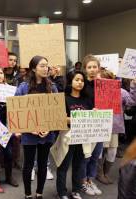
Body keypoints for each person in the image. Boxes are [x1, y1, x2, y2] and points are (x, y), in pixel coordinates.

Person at [15, 55, 58, 199]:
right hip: (29, 135)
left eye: (47, 65)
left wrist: (49, 128)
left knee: (42, 165)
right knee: (28, 165)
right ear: (33, 68)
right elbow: (16, 111)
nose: (46, 68)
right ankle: (27, 194)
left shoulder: (52, 87)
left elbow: (56, 112)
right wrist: (29, 128)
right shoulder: (23, 87)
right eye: (42, 65)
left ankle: (39, 193)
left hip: (47, 134)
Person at [54, 71, 91, 199]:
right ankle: (62, 193)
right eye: (77, 80)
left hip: (82, 136)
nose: (80, 82)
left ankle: (76, 190)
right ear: (70, 81)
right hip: (67, 136)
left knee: (79, 165)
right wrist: (75, 119)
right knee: (63, 165)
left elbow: (91, 116)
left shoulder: (87, 99)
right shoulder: (63, 98)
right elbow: (60, 118)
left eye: (82, 80)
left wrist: (94, 114)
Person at [96, 69, 136, 185]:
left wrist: (133, 86)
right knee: (99, 151)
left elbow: (132, 102)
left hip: (114, 126)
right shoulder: (94, 91)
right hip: (99, 125)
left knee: (112, 151)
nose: (100, 81)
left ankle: (106, 172)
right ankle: (99, 174)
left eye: (103, 79)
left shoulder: (121, 92)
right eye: (98, 79)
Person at [80, 55, 102, 196]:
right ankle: (82, 183)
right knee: (85, 156)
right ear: (85, 69)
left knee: (96, 155)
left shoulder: (103, 85)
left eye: (95, 67)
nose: (92, 70)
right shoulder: (82, 85)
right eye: (89, 67)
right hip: (87, 125)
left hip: (101, 124)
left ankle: (90, 180)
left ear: (98, 68)